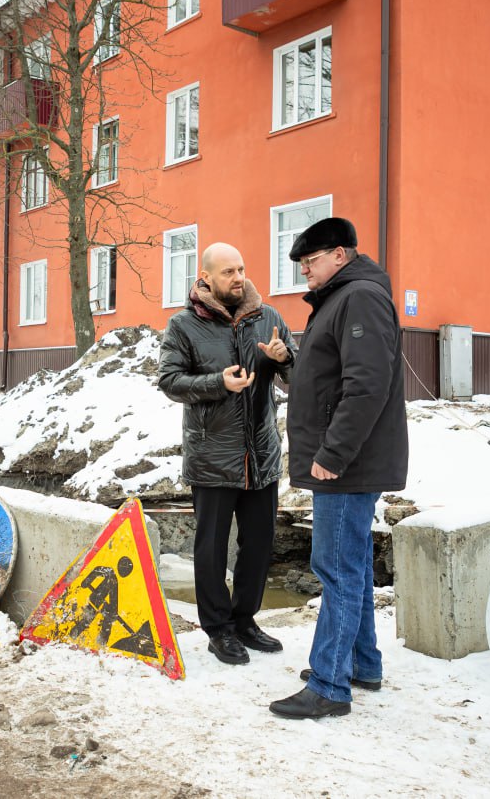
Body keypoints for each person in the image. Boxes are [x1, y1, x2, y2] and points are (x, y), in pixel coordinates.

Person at [268, 217, 408, 719]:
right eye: (302, 262)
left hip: (346, 466)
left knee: (337, 569)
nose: (304, 270)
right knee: (352, 564)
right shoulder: (342, 300)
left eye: (311, 260)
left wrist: (332, 454)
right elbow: (327, 379)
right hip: (347, 463)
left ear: (340, 256)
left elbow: (367, 385)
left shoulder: (359, 298)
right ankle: (361, 662)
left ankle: (329, 684)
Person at [158, 242, 299, 665]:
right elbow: (169, 382)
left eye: (241, 269)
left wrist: (284, 358)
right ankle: (218, 629)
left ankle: (245, 621)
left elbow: (298, 377)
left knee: (258, 546)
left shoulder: (268, 318)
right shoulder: (183, 325)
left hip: (261, 457)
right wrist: (218, 383)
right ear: (206, 279)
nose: (238, 278)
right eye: (227, 273)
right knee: (212, 550)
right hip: (212, 459)